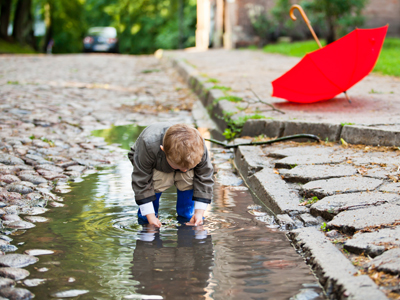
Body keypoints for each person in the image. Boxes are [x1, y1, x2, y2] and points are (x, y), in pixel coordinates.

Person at [128, 123, 214, 227]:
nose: (184, 170)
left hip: (174, 161)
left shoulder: (199, 147)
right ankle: (147, 217)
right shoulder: (148, 144)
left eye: (188, 167)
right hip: (156, 165)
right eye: (179, 167)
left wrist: (199, 212)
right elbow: (141, 180)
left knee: (189, 177)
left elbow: (204, 177)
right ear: (163, 149)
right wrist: (150, 217)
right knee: (157, 179)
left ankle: (188, 215)